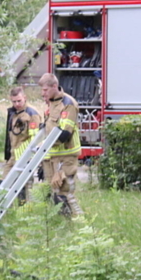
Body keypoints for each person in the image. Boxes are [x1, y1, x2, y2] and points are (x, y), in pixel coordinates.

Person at [38, 73, 82, 217]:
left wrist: (45, 144)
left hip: (66, 157)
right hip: (52, 157)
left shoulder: (68, 104)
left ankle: (80, 223)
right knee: (54, 194)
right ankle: (63, 224)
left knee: (66, 194)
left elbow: (64, 134)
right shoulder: (51, 103)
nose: (42, 93)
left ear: (54, 86)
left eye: (45, 90)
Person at [2, 86, 41, 202]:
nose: (17, 104)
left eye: (19, 101)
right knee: (2, 185)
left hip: (25, 157)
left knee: (24, 189)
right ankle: (4, 209)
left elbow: (36, 139)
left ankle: (24, 210)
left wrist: (32, 159)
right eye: (14, 101)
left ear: (25, 98)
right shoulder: (13, 113)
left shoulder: (31, 114)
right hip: (13, 156)